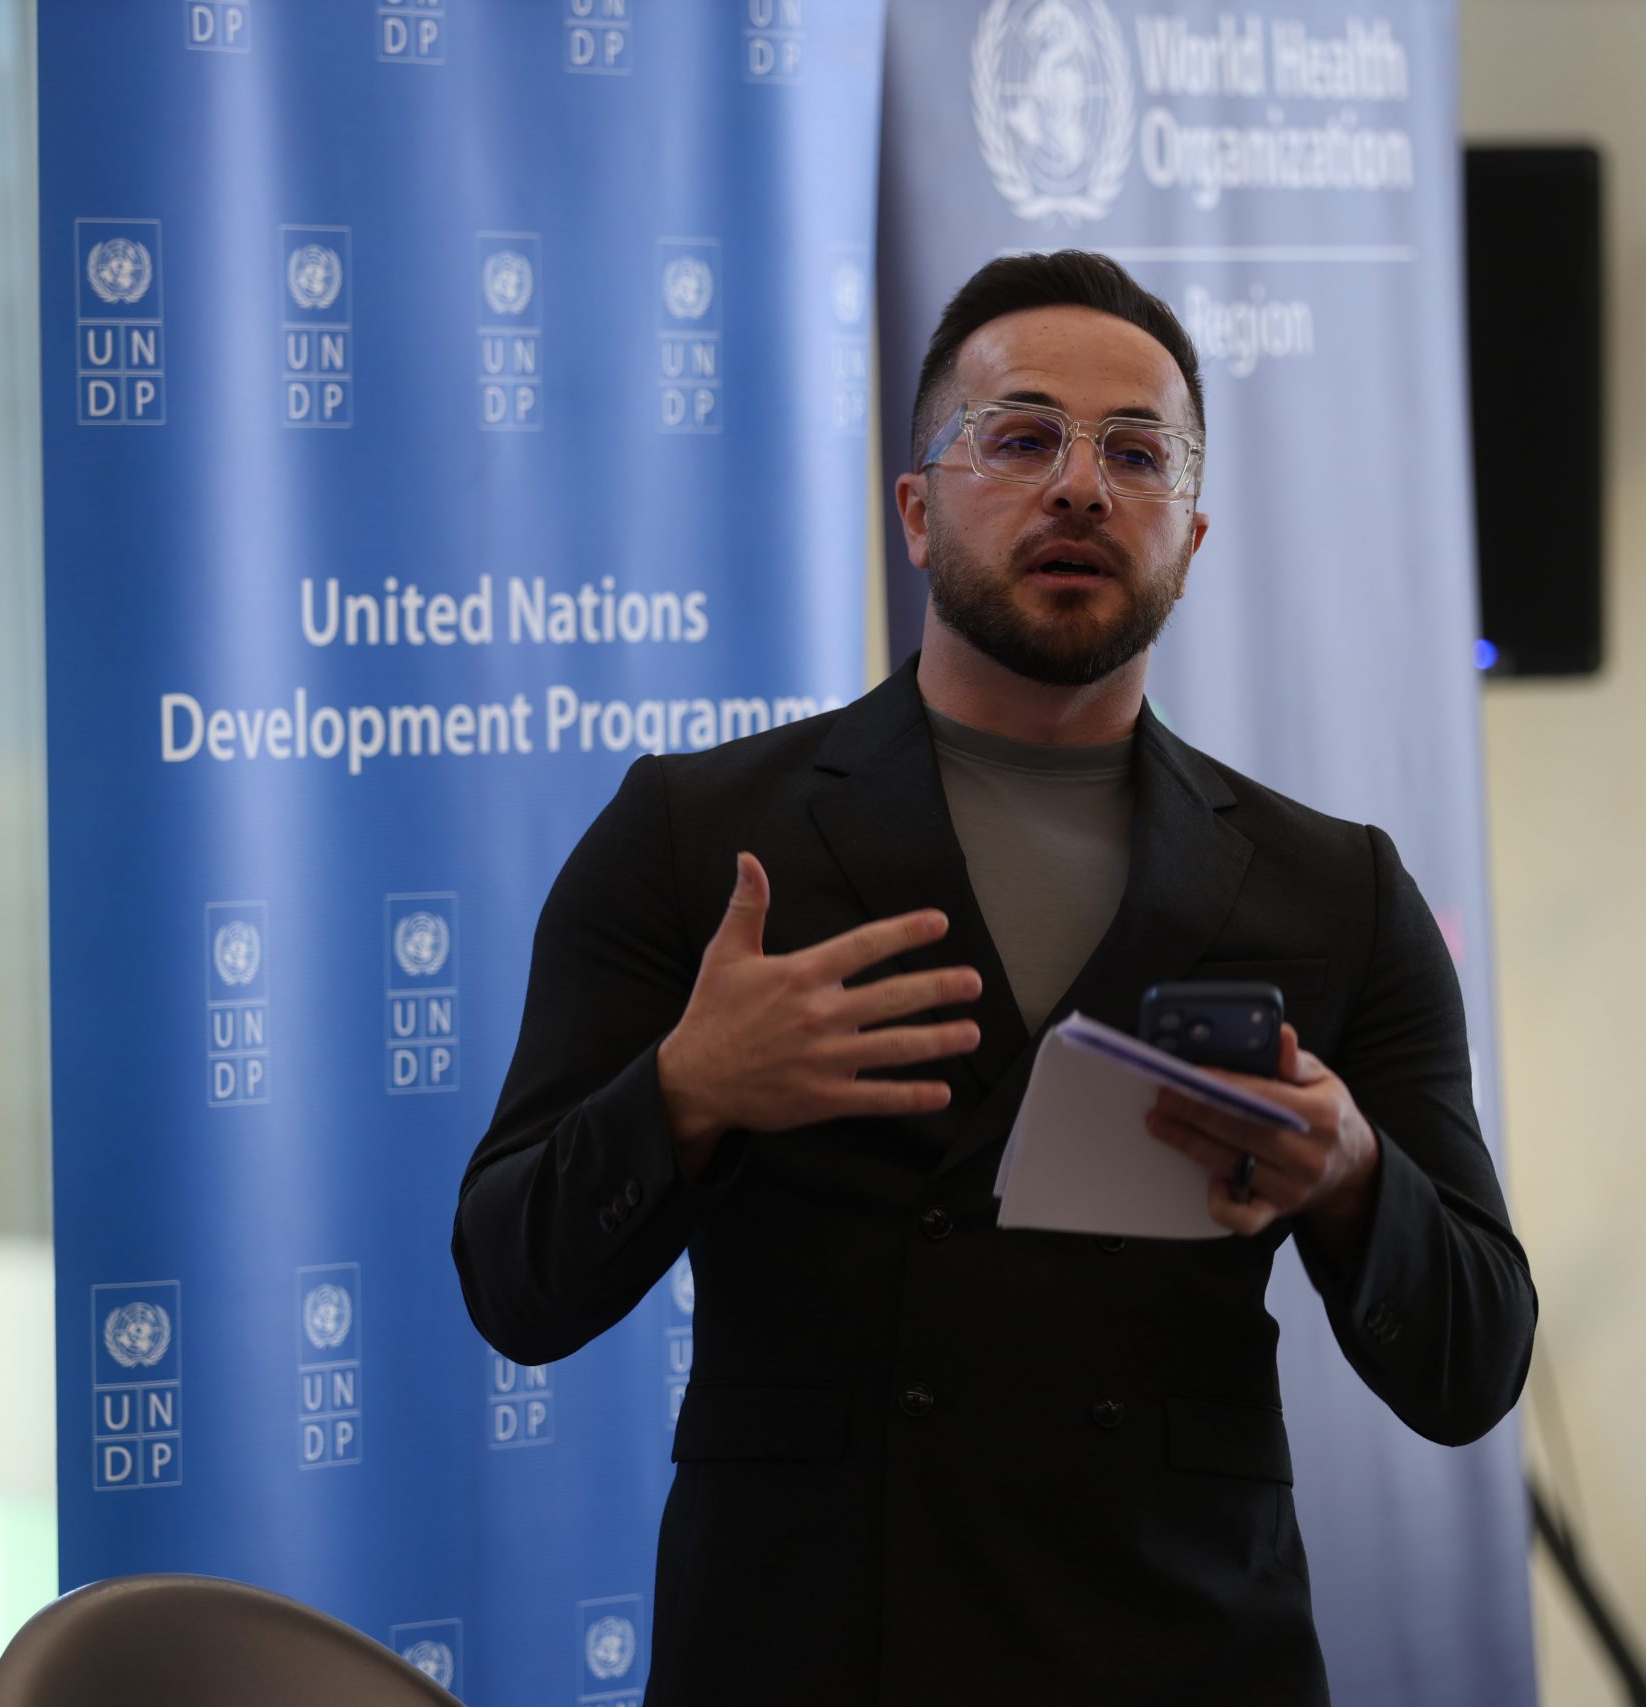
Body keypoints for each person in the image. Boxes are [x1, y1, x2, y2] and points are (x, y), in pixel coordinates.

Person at [453, 249, 1536, 1705]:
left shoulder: (1334, 888)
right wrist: (685, 1096)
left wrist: (1351, 1177)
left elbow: (1475, 1366)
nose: (1081, 487)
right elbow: (513, 1284)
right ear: (915, 510)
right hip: (819, 1649)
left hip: (1185, 1651)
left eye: (1136, 456)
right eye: (1021, 439)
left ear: (1192, 534)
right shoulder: (699, 838)